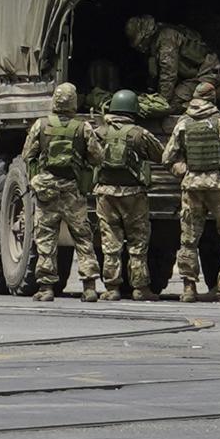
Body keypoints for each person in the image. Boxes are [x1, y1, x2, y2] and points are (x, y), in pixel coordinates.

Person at [162, 81, 220, 303]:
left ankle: (189, 288)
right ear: (212, 99)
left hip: (192, 186)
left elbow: (167, 158)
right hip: (219, 185)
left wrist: (186, 171)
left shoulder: (183, 123)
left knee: (189, 240)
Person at [20, 82, 102, 303]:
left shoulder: (41, 125)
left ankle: (46, 288)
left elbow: (28, 154)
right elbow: (97, 157)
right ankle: (89, 287)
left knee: (46, 238)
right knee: (83, 238)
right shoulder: (82, 127)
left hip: (46, 191)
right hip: (73, 191)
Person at [90, 88, 165, 301]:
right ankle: (140, 288)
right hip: (134, 195)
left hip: (105, 193)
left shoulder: (100, 132)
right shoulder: (139, 133)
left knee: (110, 242)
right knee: (138, 243)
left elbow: (89, 155)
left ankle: (112, 288)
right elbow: (161, 155)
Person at [125, 14, 220, 107]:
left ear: (146, 35)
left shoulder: (167, 38)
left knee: (173, 103)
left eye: (140, 42)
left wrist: (161, 103)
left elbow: (168, 74)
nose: (140, 47)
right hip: (194, 76)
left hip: (207, 73)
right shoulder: (156, 41)